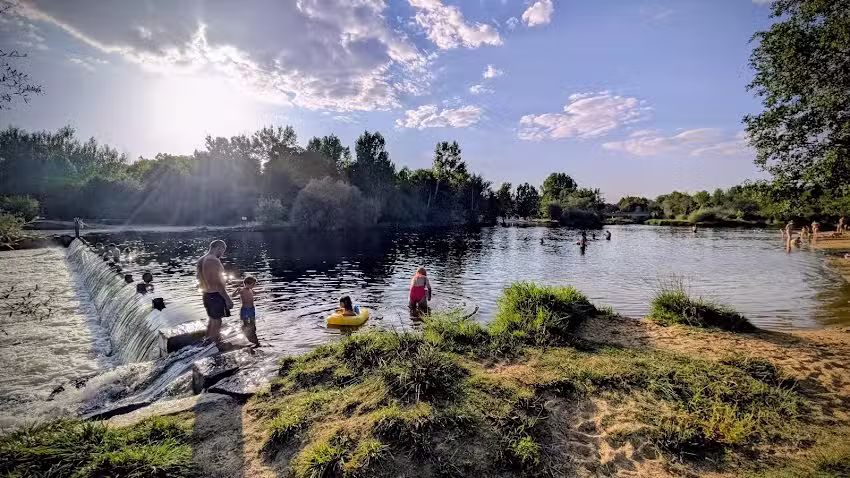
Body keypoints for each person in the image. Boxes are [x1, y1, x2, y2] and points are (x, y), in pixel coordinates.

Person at [196, 240, 232, 344]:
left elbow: (199, 279)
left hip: (206, 294)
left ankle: (207, 341)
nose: (223, 253)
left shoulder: (201, 259)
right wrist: (227, 299)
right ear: (219, 248)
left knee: (212, 319)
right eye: (223, 250)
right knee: (217, 321)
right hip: (215, 295)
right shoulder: (213, 260)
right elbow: (216, 283)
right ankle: (215, 344)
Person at [232, 276, 260, 347]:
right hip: (245, 309)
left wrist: (262, 292)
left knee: (253, 324)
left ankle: (254, 338)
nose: (254, 286)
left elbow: (255, 293)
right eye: (253, 284)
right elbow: (233, 295)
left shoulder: (251, 290)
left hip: (251, 309)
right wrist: (236, 290)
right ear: (247, 283)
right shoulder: (242, 290)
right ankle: (246, 334)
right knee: (245, 324)